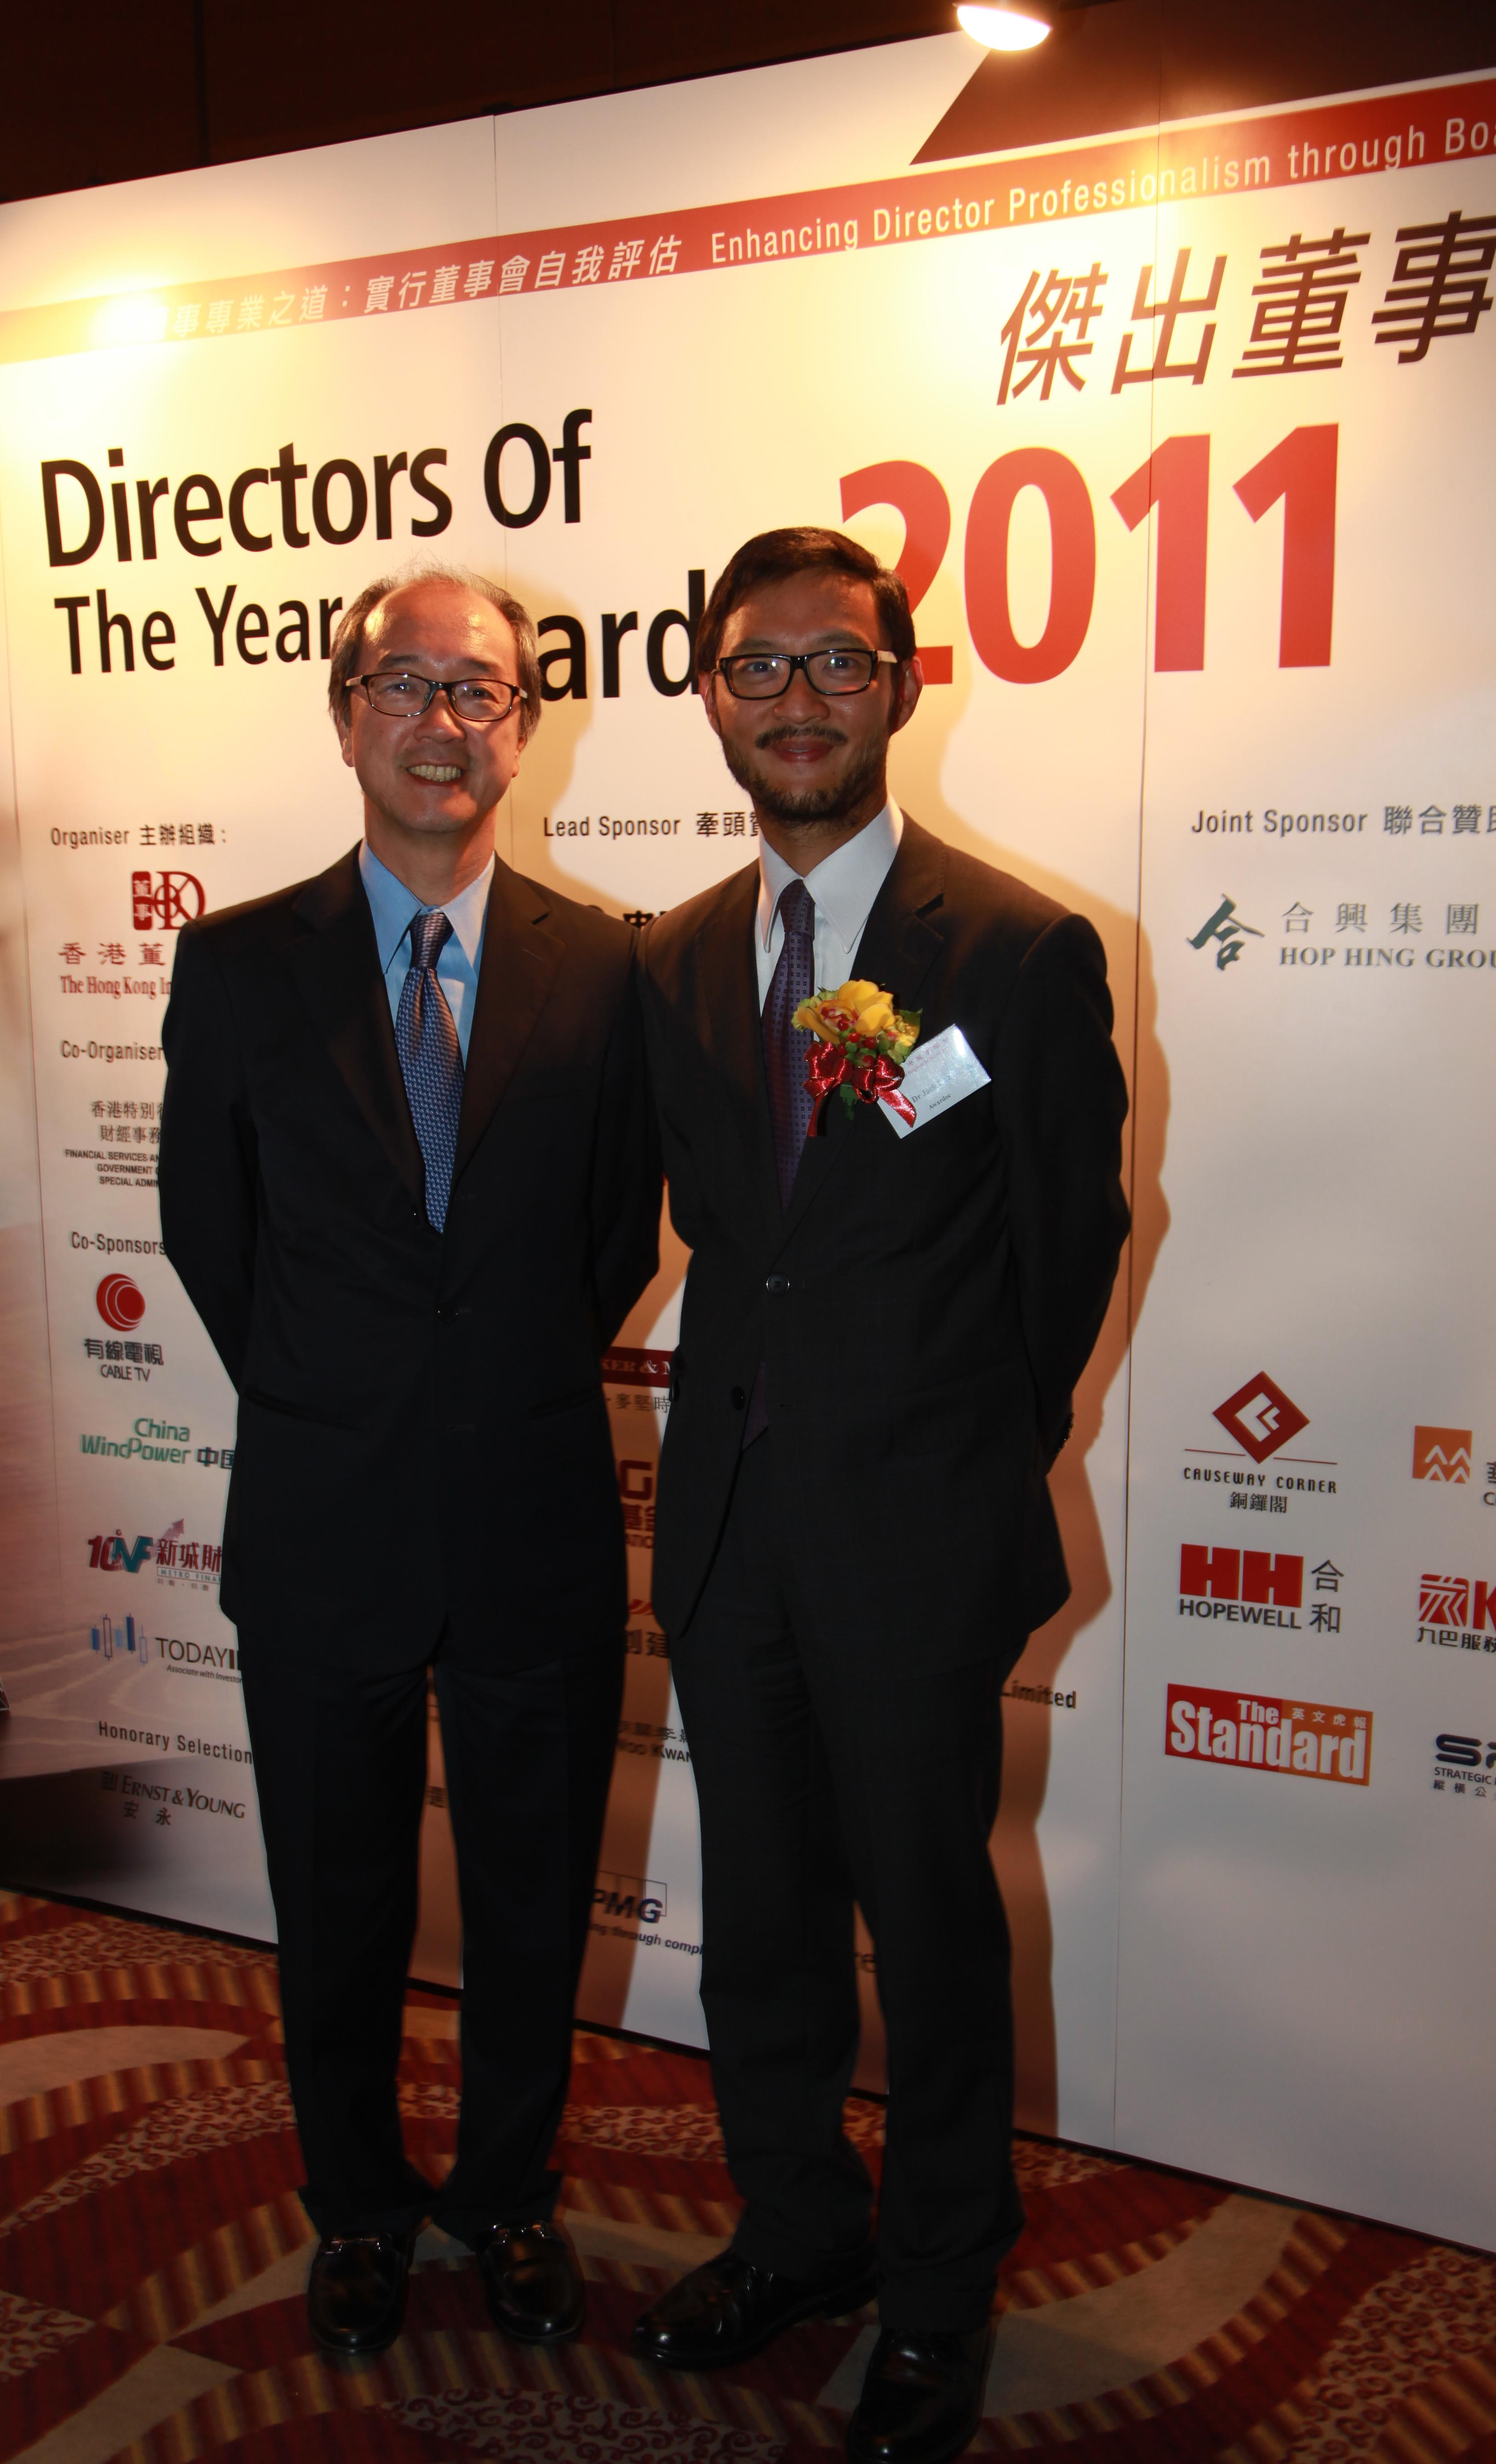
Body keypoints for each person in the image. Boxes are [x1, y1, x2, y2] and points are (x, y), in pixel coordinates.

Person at [631, 529, 1129, 2464]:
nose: (799, 700)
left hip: (916, 1534)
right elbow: (715, 1236)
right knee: (759, 1919)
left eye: (839, 663)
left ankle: (936, 2284)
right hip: (732, 1533)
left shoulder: (1013, 949)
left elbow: (1066, 1245)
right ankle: (798, 2232)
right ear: (712, 696)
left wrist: (955, 1463)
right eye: (761, 668)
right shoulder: (678, 959)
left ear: (906, 685)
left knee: (929, 1929)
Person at [159, 561, 660, 2363]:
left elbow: (614, 1245)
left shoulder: (604, 968)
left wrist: (482, 1384)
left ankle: (509, 2195)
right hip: (320, 1517)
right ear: (345, 712)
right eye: (408, 686)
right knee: (338, 1900)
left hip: (531, 1511)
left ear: (527, 728)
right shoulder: (234, 965)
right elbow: (209, 1235)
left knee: (534, 1895)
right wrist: (341, 1394)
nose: (445, 723)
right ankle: (361, 2207)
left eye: (485, 692)